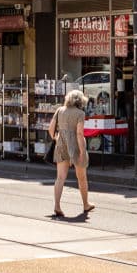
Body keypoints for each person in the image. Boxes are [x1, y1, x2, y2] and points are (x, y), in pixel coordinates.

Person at [48, 89, 94, 218]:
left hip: (61, 144)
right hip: (75, 146)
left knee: (60, 178)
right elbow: (79, 134)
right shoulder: (80, 113)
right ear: (81, 101)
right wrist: (82, 152)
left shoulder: (60, 110)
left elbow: (50, 129)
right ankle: (85, 204)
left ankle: (57, 206)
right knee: (82, 177)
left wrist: (56, 138)